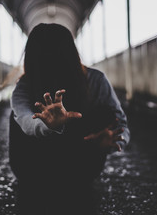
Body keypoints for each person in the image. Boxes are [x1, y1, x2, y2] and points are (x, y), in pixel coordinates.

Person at [9, 23, 129, 184]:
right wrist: (49, 125)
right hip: (38, 169)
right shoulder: (24, 84)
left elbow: (119, 126)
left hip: (71, 168)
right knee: (16, 115)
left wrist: (111, 142)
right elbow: (23, 118)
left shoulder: (95, 80)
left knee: (105, 113)